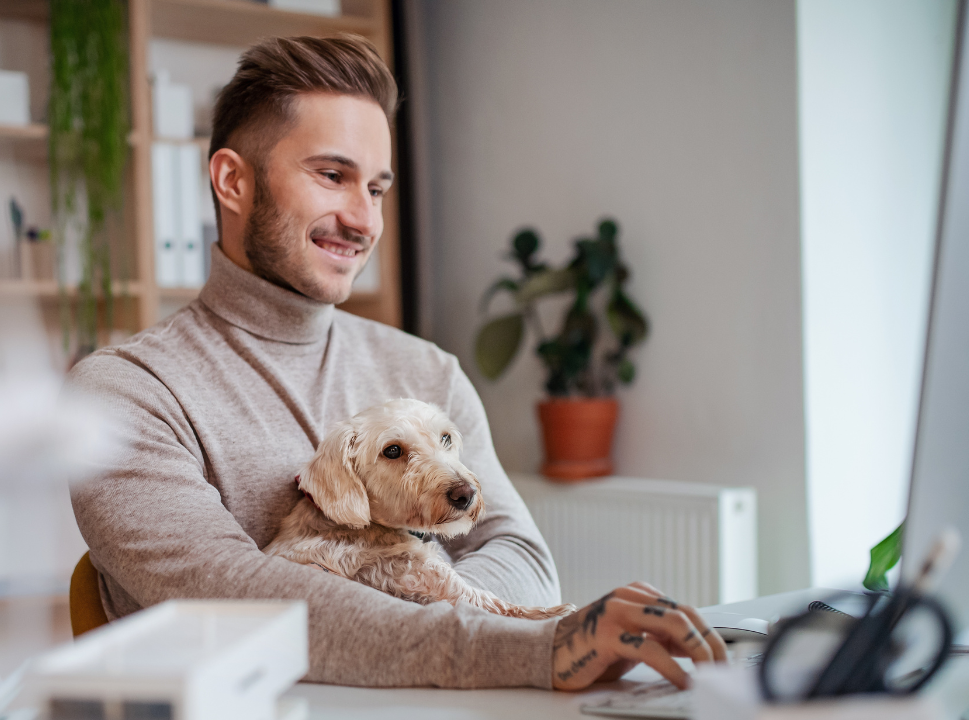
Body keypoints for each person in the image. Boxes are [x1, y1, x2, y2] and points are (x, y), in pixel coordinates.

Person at [69, 33, 725, 690]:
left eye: (377, 188)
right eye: (332, 176)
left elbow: (520, 554)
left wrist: (428, 630)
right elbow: (239, 601)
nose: (364, 220)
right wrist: (515, 646)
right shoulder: (125, 395)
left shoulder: (426, 373)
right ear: (233, 181)